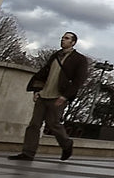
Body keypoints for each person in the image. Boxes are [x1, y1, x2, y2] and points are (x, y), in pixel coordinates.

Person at [9, 31, 88, 162]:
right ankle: (28, 153)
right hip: (44, 94)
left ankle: (67, 144)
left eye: (67, 38)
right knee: (34, 125)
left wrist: (65, 96)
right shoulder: (55, 55)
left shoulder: (79, 59)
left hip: (58, 96)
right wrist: (36, 90)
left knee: (53, 124)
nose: (63, 40)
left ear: (73, 42)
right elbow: (44, 73)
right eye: (62, 37)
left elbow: (78, 81)